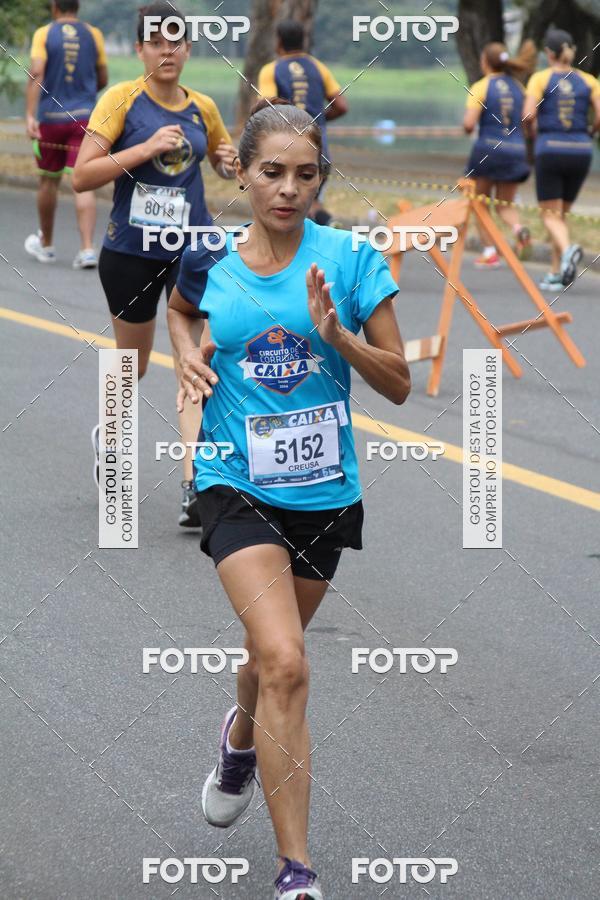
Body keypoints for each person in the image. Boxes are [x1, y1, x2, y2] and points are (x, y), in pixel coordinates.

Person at [167, 98, 410, 900]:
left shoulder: (348, 259)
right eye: (272, 171)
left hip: (324, 491)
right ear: (240, 169)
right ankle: (297, 871)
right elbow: (178, 312)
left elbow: (401, 383)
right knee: (286, 663)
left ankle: (240, 737)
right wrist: (185, 361)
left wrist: (337, 337)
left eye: (306, 174)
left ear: (320, 180)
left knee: (270, 666)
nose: (288, 189)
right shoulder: (209, 261)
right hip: (234, 481)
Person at [72, 1, 237, 527]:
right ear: (141, 49)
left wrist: (229, 162)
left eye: (177, 41)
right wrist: (143, 149)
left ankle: (195, 485)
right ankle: (109, 439)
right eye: (157, 42)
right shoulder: (120, 100)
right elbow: (83, 176)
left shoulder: (203, 106)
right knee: (133, 365)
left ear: (189, 48)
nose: (168, 50)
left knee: (196, 364)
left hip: (193, 252)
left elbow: (221, 153)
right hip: (131, 253)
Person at [25, 0, 107, 268]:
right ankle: (86, 250)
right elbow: (102, 77)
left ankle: (46, 245)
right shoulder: (94, 33)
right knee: (81, 182)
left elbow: (36, 72)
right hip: (84, 118)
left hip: (51, 118)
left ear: (54, 6)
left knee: (48, 181)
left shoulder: (44, 33)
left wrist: (29, 115)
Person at [523, 29, 600, 291]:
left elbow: (527, 115)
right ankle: (557, 272)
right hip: (581, 151)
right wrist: (589, 131)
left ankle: (568, 250)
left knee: (548, 215)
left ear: (548, 53)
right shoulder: (589, 81)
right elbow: (599, 116)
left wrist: (532, 134)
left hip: (550, 148)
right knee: (561, 216)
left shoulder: (540, 78)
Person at [257, 19, 348, 226]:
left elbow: (266, 107)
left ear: (278, 42)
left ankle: (322, 229)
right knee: (310, 200)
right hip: (319, 150)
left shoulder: (271, 70)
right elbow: (341, 105)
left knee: (290, 203)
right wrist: (319, 120)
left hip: (287, 151)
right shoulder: (318, 67)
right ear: (303, 41)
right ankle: (328, 225)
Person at [463, 42, 532, 268]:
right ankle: (519, 230)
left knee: (479, 203)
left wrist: (467, 128)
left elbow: (468, 124)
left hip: (488, 150)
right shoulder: (518, 88)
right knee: (505, 204)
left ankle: (490, 251)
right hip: (515, 150)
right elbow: (527, 120)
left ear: (485, 62)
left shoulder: (482, 86)